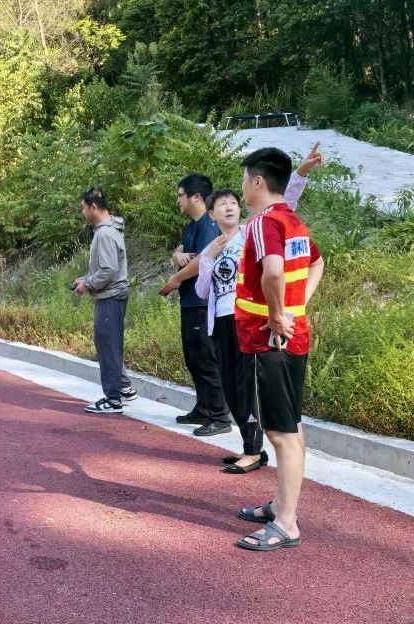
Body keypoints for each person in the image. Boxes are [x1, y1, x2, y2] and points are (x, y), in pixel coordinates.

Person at [194, 143, 322, 474]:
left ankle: (254, 451)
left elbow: (283, 203)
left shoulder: (257, 228)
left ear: (254, 185)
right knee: (234, 387)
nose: (229, 205)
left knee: (262, 404)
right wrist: (205, 258)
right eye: (221, 205)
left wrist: (281, 312)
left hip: (261, 327)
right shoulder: (223, 242)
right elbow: (202, 288)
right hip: (227, 321)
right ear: (211, 215)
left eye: (232, 201)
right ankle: (257, 461)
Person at [233, 147, 324, 551]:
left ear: (256, 181)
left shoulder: (263, 224)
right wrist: (294, 307)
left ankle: (287, 523)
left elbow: (272, 272)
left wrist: (275, 313)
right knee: (292, 426)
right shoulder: (293, 221)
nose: (241, 189)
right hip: (292, 336)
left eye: (243, 180)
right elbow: (317, 263)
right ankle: (282, 506)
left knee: (280, 433)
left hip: (269, 340)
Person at [159, 173, 231, 436]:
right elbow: (180, 251)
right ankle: (202, 408)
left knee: (206, 359)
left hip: (202, 303)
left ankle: (219, 416)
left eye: (180, 195)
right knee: (193, 358)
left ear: (196, 196)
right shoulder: (192, 226)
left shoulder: (208, 226)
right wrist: (178, 255)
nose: (177, 200)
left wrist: (176, 278)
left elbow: (202, 261)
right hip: (190, 303)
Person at [73, 187, 138, 414]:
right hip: (111, 295)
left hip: (110, 297)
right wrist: (86, 279)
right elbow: (107, 268)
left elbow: (108, 270)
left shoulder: (105, 233)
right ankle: (124, 388)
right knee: (109, 345)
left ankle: (112, 399)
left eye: (83, 207)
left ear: (93, 207)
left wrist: (88, 284)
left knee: (108, 347)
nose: (82, 212)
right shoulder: (108, 230)